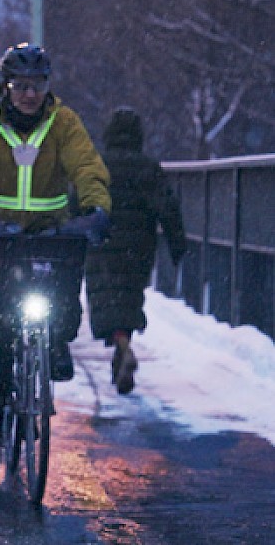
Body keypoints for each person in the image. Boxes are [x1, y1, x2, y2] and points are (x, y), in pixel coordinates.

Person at [0, 42, 111, 466]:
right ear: (7, 87)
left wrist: (95, 209)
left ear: (46, 87)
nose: (29, 94)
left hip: (48, 235)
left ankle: (55, 343)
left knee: (64, 308)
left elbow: (86, 167)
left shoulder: (63, 123)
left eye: (36, 85)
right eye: (21, 85)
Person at [84, 106, 186, 395]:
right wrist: (177, 242)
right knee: (128, 299)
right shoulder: (148, 168)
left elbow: (75, 201)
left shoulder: (96, 165)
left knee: (105, 298)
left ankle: (119, 345)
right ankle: (122, 346)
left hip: (101, 244)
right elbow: (168, 207)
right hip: (137, 247)